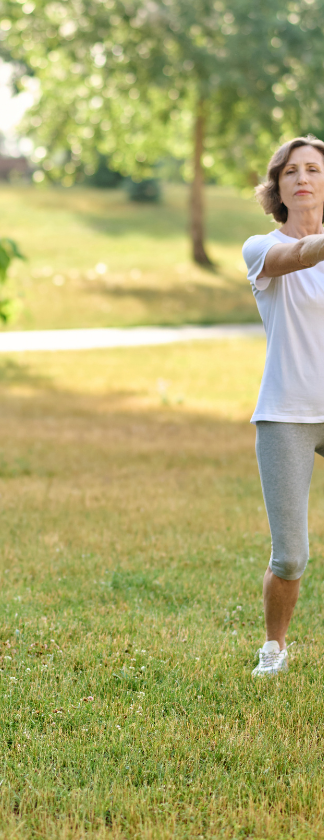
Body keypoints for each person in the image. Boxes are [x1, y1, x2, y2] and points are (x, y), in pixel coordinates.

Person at [243, 135, 324, 677]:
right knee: (291, 554)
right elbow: (296, 256)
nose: (303, 178)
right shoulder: (258, 247)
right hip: (285, 414)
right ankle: (274, 647)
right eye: (291, 171)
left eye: (314, 169)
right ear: (277, 187)